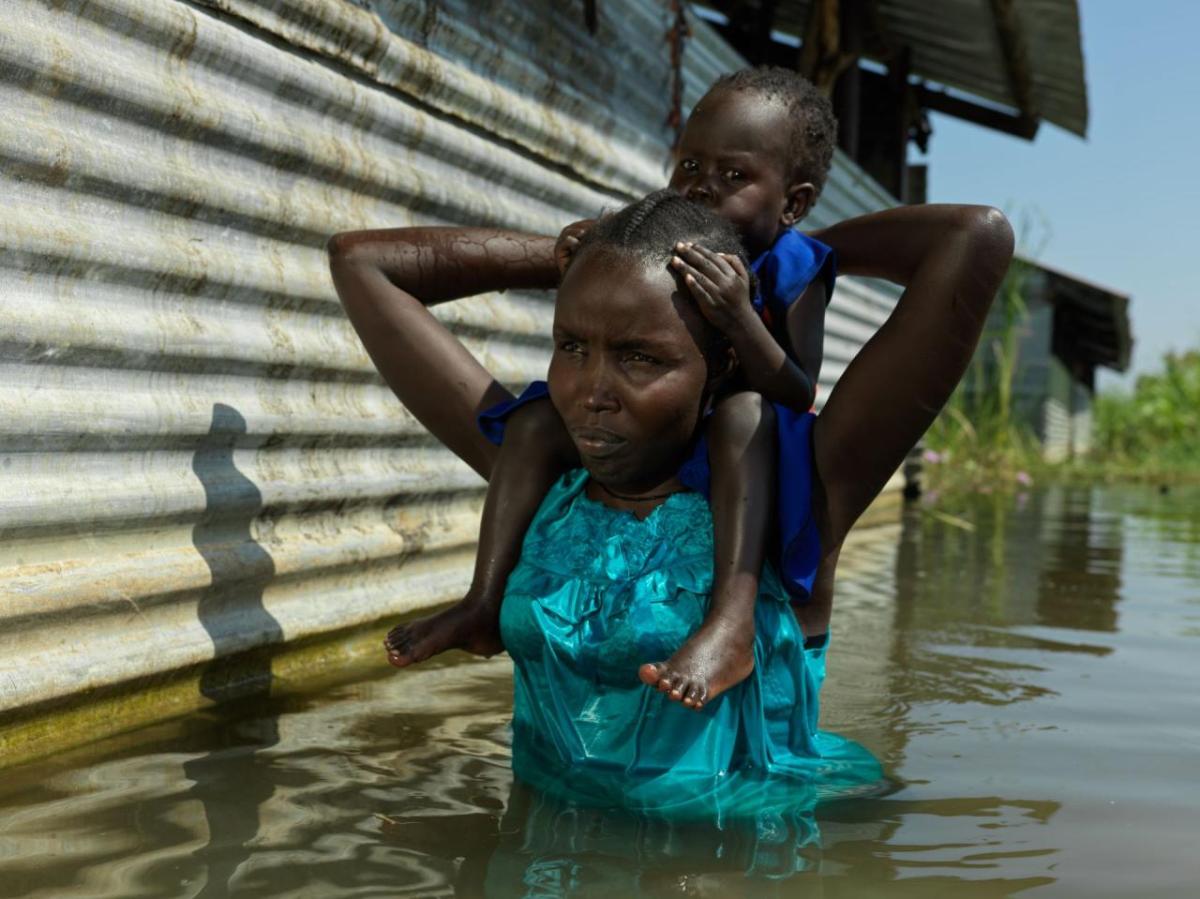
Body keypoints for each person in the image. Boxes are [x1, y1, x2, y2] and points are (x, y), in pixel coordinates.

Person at [328, 190, 1014, 814]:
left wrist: (759, 251)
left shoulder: (795, 500)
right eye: (572, 346)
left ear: (716, 365)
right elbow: (361, 263)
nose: (592, 389)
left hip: (732, 871)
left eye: (640, 357)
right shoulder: (538, 478)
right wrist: (569, 256)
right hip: (541, 863)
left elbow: (973, 238)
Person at [377, 67, 842, 711]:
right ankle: (483, 600)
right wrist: (583, 255)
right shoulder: (665, 243)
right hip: (645, 435)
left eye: (733, 177)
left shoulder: (796, 270)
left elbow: (795, 391)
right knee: (537, 416)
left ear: (792, 203)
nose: (702, 189)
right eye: (688, 167)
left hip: (741, 450)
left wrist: (739, 317)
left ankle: (730, 622)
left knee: (744, 413)